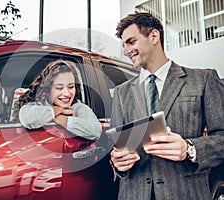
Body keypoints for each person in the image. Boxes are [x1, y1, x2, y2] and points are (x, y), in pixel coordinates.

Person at [109, 12, 224, 200]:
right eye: (124, 45)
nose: (126, 51)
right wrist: (118, 162)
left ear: (154, 36)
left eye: (131, 42)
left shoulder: (203, 80)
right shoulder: (122, 92)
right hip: (134, 194)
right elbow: (117, 149)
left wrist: (190, 149)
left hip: (185, 193)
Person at [18, 59, 102, 140]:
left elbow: (96, 130)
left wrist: (64, 120)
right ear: (47, 90)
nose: (66, 93)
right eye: (59, 88)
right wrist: (58, 111)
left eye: (71, 87)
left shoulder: (78, 107)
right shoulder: (39, 105)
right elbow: (26, 118)